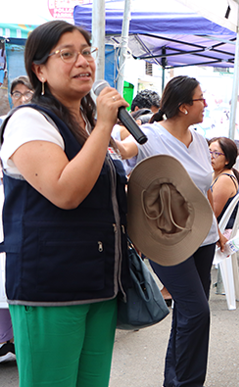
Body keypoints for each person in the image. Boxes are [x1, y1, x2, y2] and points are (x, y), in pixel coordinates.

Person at [0, 20, 128, 386]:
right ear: (39, 70)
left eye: (87, 52)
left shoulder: (85, 122)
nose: (83, 62)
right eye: (67, 54)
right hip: (50, 287)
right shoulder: (29, 120)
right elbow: (65, 192)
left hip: (99, 282)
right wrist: (104, 127)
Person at [117, 75, 226, 387]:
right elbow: (124, 151)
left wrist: (217, 232)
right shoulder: (148, 136)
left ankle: (175, 381)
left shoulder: (201, 140)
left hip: (202, 238)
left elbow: (204, 190)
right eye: (200, 99)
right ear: (182, 106)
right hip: (164, 239)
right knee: (197, 312)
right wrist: (107, 128)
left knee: (187, 315)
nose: (205, 104)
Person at [0, 75, 35, 364]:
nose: (22, 98)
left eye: (27, 93)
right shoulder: (4, 123)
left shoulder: (38, 126)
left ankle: (16, 338)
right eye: (17, 93)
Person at [209, 137, 239, 235]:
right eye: (209, 152)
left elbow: (212, 214)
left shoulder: (224, 179)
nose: (211, 156)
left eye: (216, 153)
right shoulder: (216, 174)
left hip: (218, 231)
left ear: (227, 160)